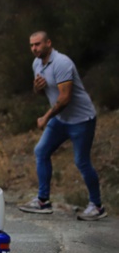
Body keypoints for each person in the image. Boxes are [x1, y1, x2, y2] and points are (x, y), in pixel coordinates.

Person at [18, 31, 106, 221]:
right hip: (61, 120)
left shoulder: (62, 63)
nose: (34, 48)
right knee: (41, 151)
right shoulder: (37, 64)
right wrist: (37, 88)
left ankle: (97, 205)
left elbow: (65, 98)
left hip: (82, 120)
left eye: (38, 44)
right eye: (32, 45)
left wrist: (46, 117)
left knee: (81, 161)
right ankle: (43, 201)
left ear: (48, 43)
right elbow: (44, 93)